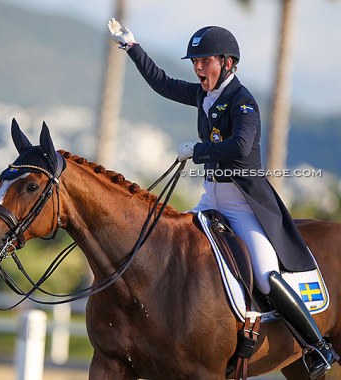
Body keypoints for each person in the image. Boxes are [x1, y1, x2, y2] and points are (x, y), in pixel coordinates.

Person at [107, 18, 338, 379]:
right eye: (195, 62)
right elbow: (164, 84)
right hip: (211, 199)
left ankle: (317, 347)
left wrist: (198, 150)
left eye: (205, 61)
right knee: (173, 252)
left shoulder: (242, 103)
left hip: (244, 203)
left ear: (227, 63)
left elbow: (241, 145)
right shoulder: (205, 95)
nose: (198, 67)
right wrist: (132, 47)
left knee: (264, 274)